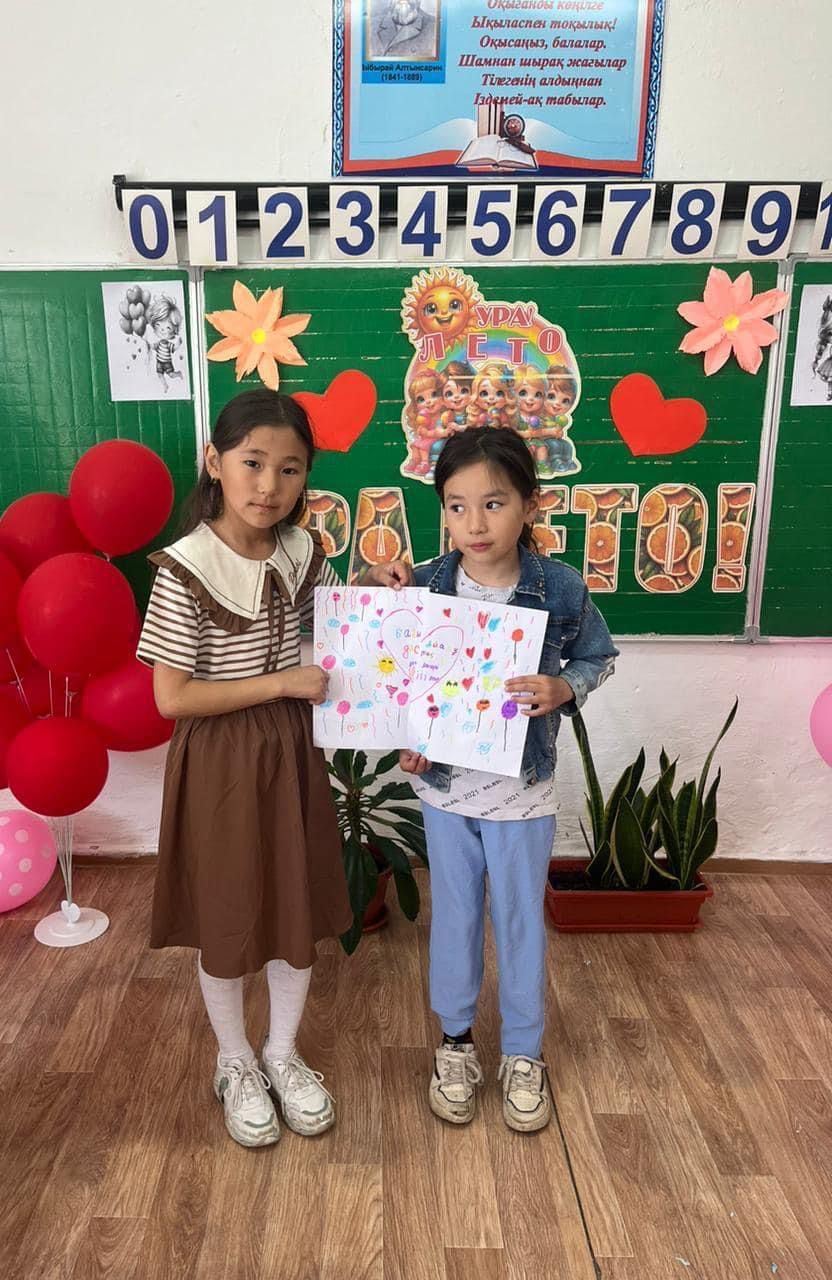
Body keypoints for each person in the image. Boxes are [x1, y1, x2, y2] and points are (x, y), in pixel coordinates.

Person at [362, 428, 617, 1133]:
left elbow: (598, 656)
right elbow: (392, 670)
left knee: (518, 920)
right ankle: (455, 1043)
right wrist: (409, 738)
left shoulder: (559, 587)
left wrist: (564, 688)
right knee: (455, 915)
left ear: (531, 505)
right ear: (442, 510)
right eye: (457, 505)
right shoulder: (423, 583)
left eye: (494, 503)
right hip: (445, 791)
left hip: (522, 794)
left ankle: (524, 1053)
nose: (475, 523)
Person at [137, 389, 352, 1148]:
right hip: (222, 760)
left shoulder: (302, 552)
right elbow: (172, 698)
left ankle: (282, 1053)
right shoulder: (185, 568)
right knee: (228, 915)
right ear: (215, 461)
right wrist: (280, 683)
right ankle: (235, 1060)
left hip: (291, 751)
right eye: (253, 463)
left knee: (294, 908)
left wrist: (377, 596)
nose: (269, 485)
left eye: (290, 469)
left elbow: (335, 627)